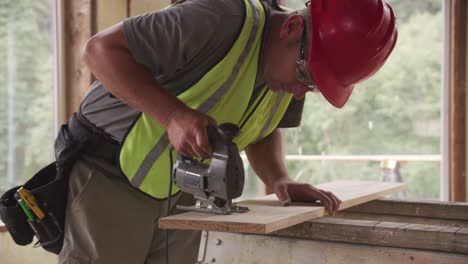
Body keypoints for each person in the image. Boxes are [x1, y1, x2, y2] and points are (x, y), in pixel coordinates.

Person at [56, 0, 397, 263]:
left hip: (182, 192)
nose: (300, 92)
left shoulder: (291, 73)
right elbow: (99, 51)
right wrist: (174, 116)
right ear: (292, 27)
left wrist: (279, 179)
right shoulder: (216, 18)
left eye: (316, 87)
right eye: (308, 77)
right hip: (109, 178)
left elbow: (263, 126)